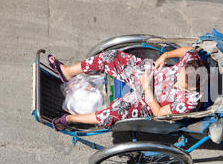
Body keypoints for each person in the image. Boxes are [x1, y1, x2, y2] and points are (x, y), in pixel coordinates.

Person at [47, 47, 208, 131]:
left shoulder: (189, 102)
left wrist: (146, 88)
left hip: (146, 101)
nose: (178, 77)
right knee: (111, 57)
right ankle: (68, 72)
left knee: (113, 112)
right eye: (180, 73)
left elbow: (159, 112)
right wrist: (166, 55)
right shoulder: (193, 62)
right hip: (147, 72)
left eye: (182, 82)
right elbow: (188, 51)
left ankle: (70, 120)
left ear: (192, 87)